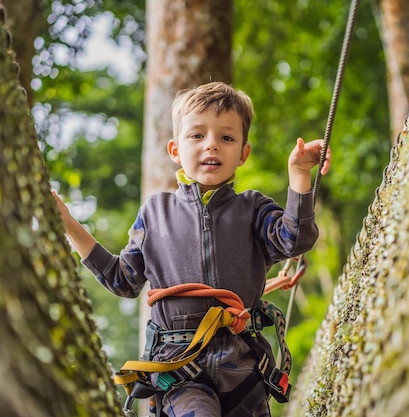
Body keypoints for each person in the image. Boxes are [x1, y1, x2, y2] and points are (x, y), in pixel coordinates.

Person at [52, 81, 330, 417]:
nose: (211, 145)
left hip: (242, 366)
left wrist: (299, 173)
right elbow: (122, 279)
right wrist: (68, 224)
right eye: (197, 135)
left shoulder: (253, 209)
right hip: (179, 371)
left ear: (243, 153)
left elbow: (294, 239)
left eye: (226, 137)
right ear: (175, 150)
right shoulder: (155, 214)